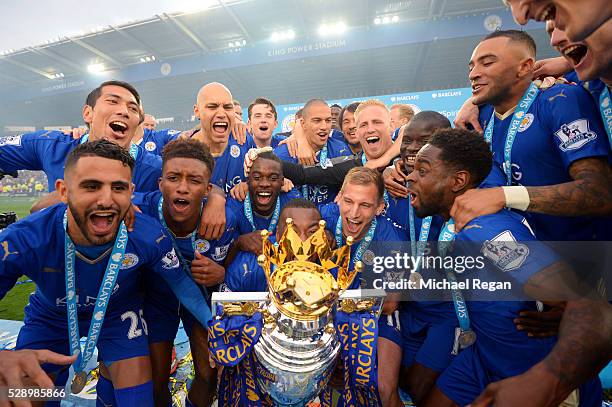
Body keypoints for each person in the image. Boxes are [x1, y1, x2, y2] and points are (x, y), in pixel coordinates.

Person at [406, 128, 610, 406]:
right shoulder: (459, 221)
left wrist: (546, 378)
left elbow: (592, 306)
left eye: (422, 170)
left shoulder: (486, 232)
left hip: (528, 368)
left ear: (458, 181)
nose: (409, 177)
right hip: (485, 356)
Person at [0, 140, 213, 406]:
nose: (106, 199)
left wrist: (212, 323)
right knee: (25, 397)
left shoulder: (148, 235)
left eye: (118, 188)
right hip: (53, 316)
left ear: (131, 193)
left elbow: (181, 282)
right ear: (64, 191)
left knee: (137, 402)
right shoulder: (23, 241)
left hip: (117, 315)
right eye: (91, 186)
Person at [451, 30, 611, 240]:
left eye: (487, 63)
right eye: (471, 67)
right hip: (528, 258)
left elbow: (599, 193)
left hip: (588, 254)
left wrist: (505, 196)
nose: (473, 74)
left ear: (525, 67)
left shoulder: (560, 100)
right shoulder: (475, 119)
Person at [132, 139, 237, 407]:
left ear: (206, 188)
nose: (182, 187)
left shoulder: (227, 219)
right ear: (160, 183)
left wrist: (224, 273)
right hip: (156, 301)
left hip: (201, 300)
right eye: (173, 177)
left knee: (209, 373)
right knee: (155, 378)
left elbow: (249, 251)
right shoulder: (137, 210)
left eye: (194, 180)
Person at [319, 167, 407, 407]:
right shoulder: (323, 218)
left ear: (379, 207)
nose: (354, 213)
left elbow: (389, 304)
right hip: (328, 314)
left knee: (383, 388)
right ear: (339, 197)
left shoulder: (391, 241)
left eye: (365, 205)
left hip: (376, 314)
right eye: (348, 201)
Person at [0, 80, 161, 194]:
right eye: (113, 101)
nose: (124, 111)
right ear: (87, 113)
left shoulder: (157, 170)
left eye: (133, 109)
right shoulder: (52, 146)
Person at [221, 198, 322, 293]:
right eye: (293, 232)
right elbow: (223, 309)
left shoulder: (332, 267)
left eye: (312, 232)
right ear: (278, 235)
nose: (303, 242)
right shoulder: (249, 266)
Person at [274, 99, 350, 204]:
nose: (324, 127)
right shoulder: (283, 153)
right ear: (303, 124)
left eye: (328, 120)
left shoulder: (341, 149)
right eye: (317, 120)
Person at [185, 82, 256, 194]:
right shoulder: (182, 152)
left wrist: (250, 185)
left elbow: (263, 177)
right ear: (197, 111)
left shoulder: (244, 140)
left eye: (228, 107)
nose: (222, 114)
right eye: (212, 107)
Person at [227, 151, 300, 256]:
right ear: (247, 181)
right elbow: (222, 266)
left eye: (273, 178)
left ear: (282, 181)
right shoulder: (234, 206)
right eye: (257, 178)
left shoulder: (293, 202)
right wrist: (238, 243)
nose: (264, 184)